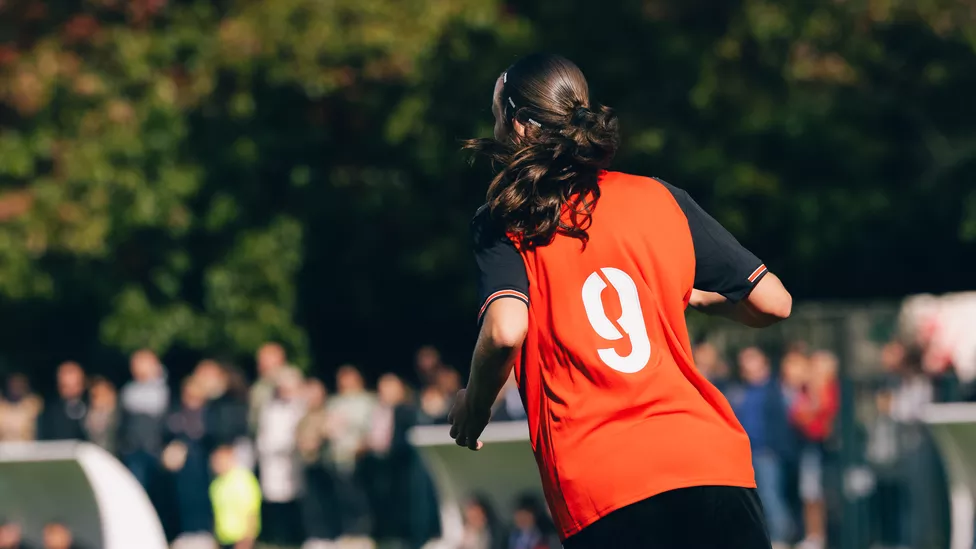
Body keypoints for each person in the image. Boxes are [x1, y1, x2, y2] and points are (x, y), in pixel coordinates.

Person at [447, 53, 791, 549]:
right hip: (712, 464)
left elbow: (505, 329)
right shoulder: (659, 197)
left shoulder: (506, 220)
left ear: (520, 126)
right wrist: (696, 297)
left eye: (497, 114)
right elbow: (773, 302)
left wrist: (473, 406)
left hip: (606, 483)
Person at [210, 445, 262, 549]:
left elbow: (251, 512)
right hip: (223, 539)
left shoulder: (243, 480)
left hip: (241, 540)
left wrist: (247, 539)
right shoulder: (215, 485)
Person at [37, 362, 87, 441]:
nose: (71, 391)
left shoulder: (91, 408)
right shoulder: (49, 413)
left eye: (75, 385)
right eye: (66, 386)